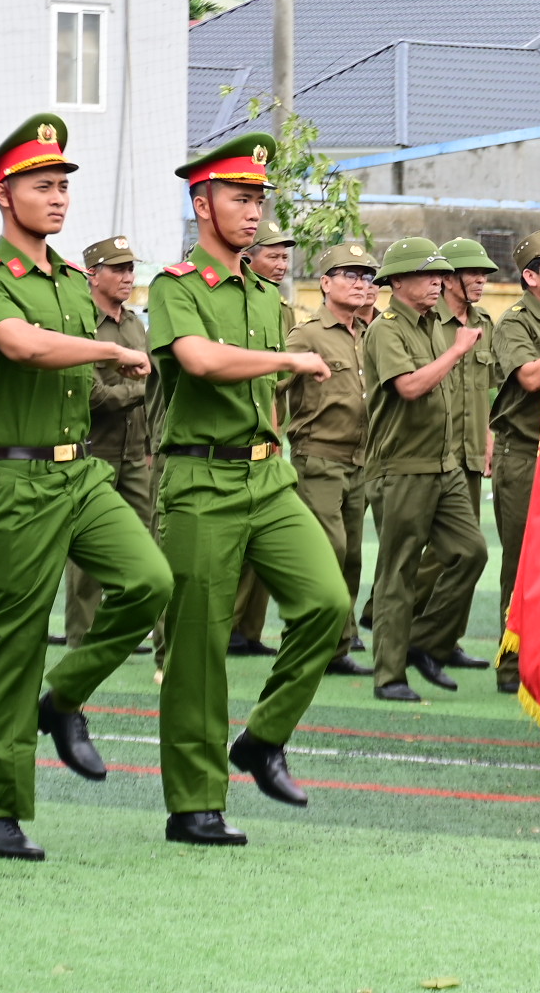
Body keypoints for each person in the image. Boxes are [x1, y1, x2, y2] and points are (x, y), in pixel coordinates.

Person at [0, 115, 173, 860]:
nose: (57, 199)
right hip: (16, 477)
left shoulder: (73, 284)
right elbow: (23, 345)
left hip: (80, 471)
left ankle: (63, 696)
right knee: (9, 648)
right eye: (42, 186)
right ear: (1, 192)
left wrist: (106, 351)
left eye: (63, 187)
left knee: (149, 582)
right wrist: (107, 350)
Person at [146, 135, 349, 846]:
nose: (253, 211)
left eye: (259, 199)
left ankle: (262, 739)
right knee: (198, 649)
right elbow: (199, 361)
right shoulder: (175, 287)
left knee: (327, 605)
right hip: (201, 479)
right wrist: (287, 356)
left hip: (268, 474)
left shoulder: (266, 293)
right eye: (239, 197)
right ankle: (194, 804)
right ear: (202, 204)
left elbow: (263, 388)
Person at [363, 238, 489, 703]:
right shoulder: (387, 329)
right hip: (401, 467)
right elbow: (411, 387)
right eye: (426, 274)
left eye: (440, 274)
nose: (437, 281)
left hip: (445, 464)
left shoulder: (436, 327)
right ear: (397, 282)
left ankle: (426, 642)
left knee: (471, 552)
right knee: (398, 571)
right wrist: (456, 351)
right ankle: (389, 674)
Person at [61, 236, 160, 652]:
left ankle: (119, 632)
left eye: (130, 268)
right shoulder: (80, 323)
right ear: (92, 274)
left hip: (136, 452)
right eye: (117, 269)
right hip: (93, 451)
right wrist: (140, 388)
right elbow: (92, 395)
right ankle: (82, 638)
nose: (127, 277)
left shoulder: (135, 324)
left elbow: (150, 382)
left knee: (143, 546)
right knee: (87, 558)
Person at [285, 242, 378, 677]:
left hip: (358, 460)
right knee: (327, 552)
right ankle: (306, 643)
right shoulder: (307, 334)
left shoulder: (366, 332)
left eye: (366, 276)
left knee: (352, 556)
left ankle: (337, 647)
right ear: (325, 283)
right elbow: (272, 386)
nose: (362, 283)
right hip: (317, 457)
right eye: (350, 275)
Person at [410, 236, 498, 676]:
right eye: (474, 274)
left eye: (485, 274)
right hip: (429, 453)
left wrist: (489, 434)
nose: (482, 281)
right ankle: (404, 626)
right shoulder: (429, 324)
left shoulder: (485, 322)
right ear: (448, 279)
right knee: (429, 550)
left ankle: (443, 639)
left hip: (467, 454)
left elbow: (493, 385)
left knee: (463, 551)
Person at [489, 228, 540, 694]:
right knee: (521, 564)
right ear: (530, 276)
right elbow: (531, 376)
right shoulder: (515, 322)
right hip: (523, 456)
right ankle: (510, 663)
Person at [230, 219, 298, 654]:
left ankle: (246, 632)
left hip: (268, 437)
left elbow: (280, 373)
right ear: (247, 258)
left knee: (263, 544)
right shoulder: (231, 298)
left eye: (285, 256)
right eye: (272, 255)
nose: (281, 264)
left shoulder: (279, 304)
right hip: (229, 437)